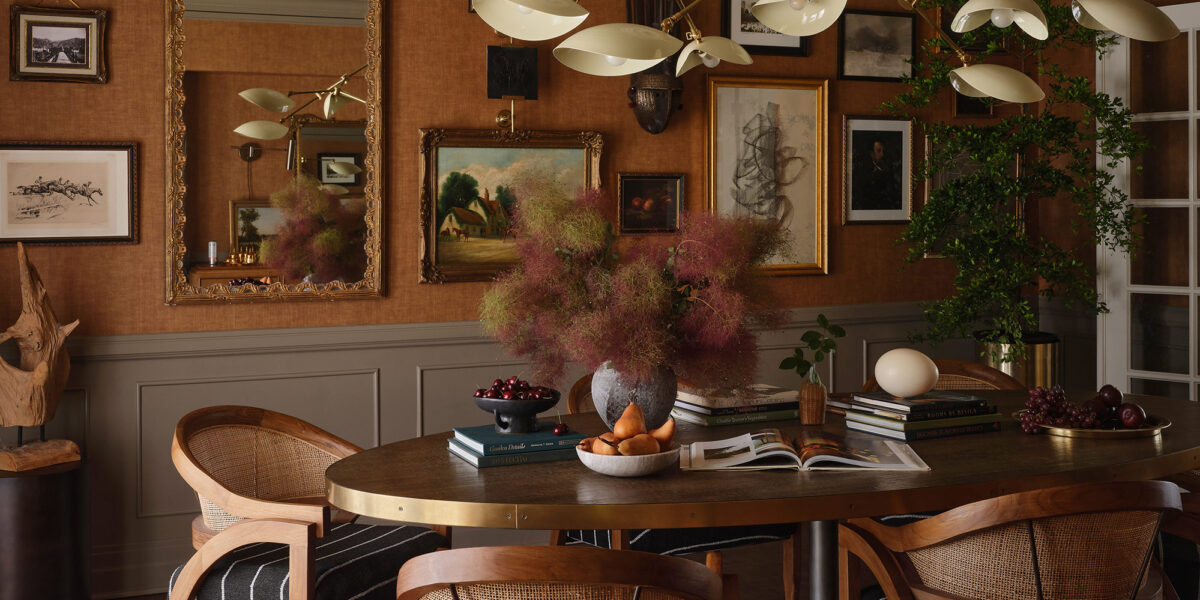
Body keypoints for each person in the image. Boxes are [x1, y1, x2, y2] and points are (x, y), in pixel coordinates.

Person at [852, 138, 901, 211]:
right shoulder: (867, 173)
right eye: (879, 151)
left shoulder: (888, 169)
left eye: (883, 151)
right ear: (872, 154)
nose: (882, 154)